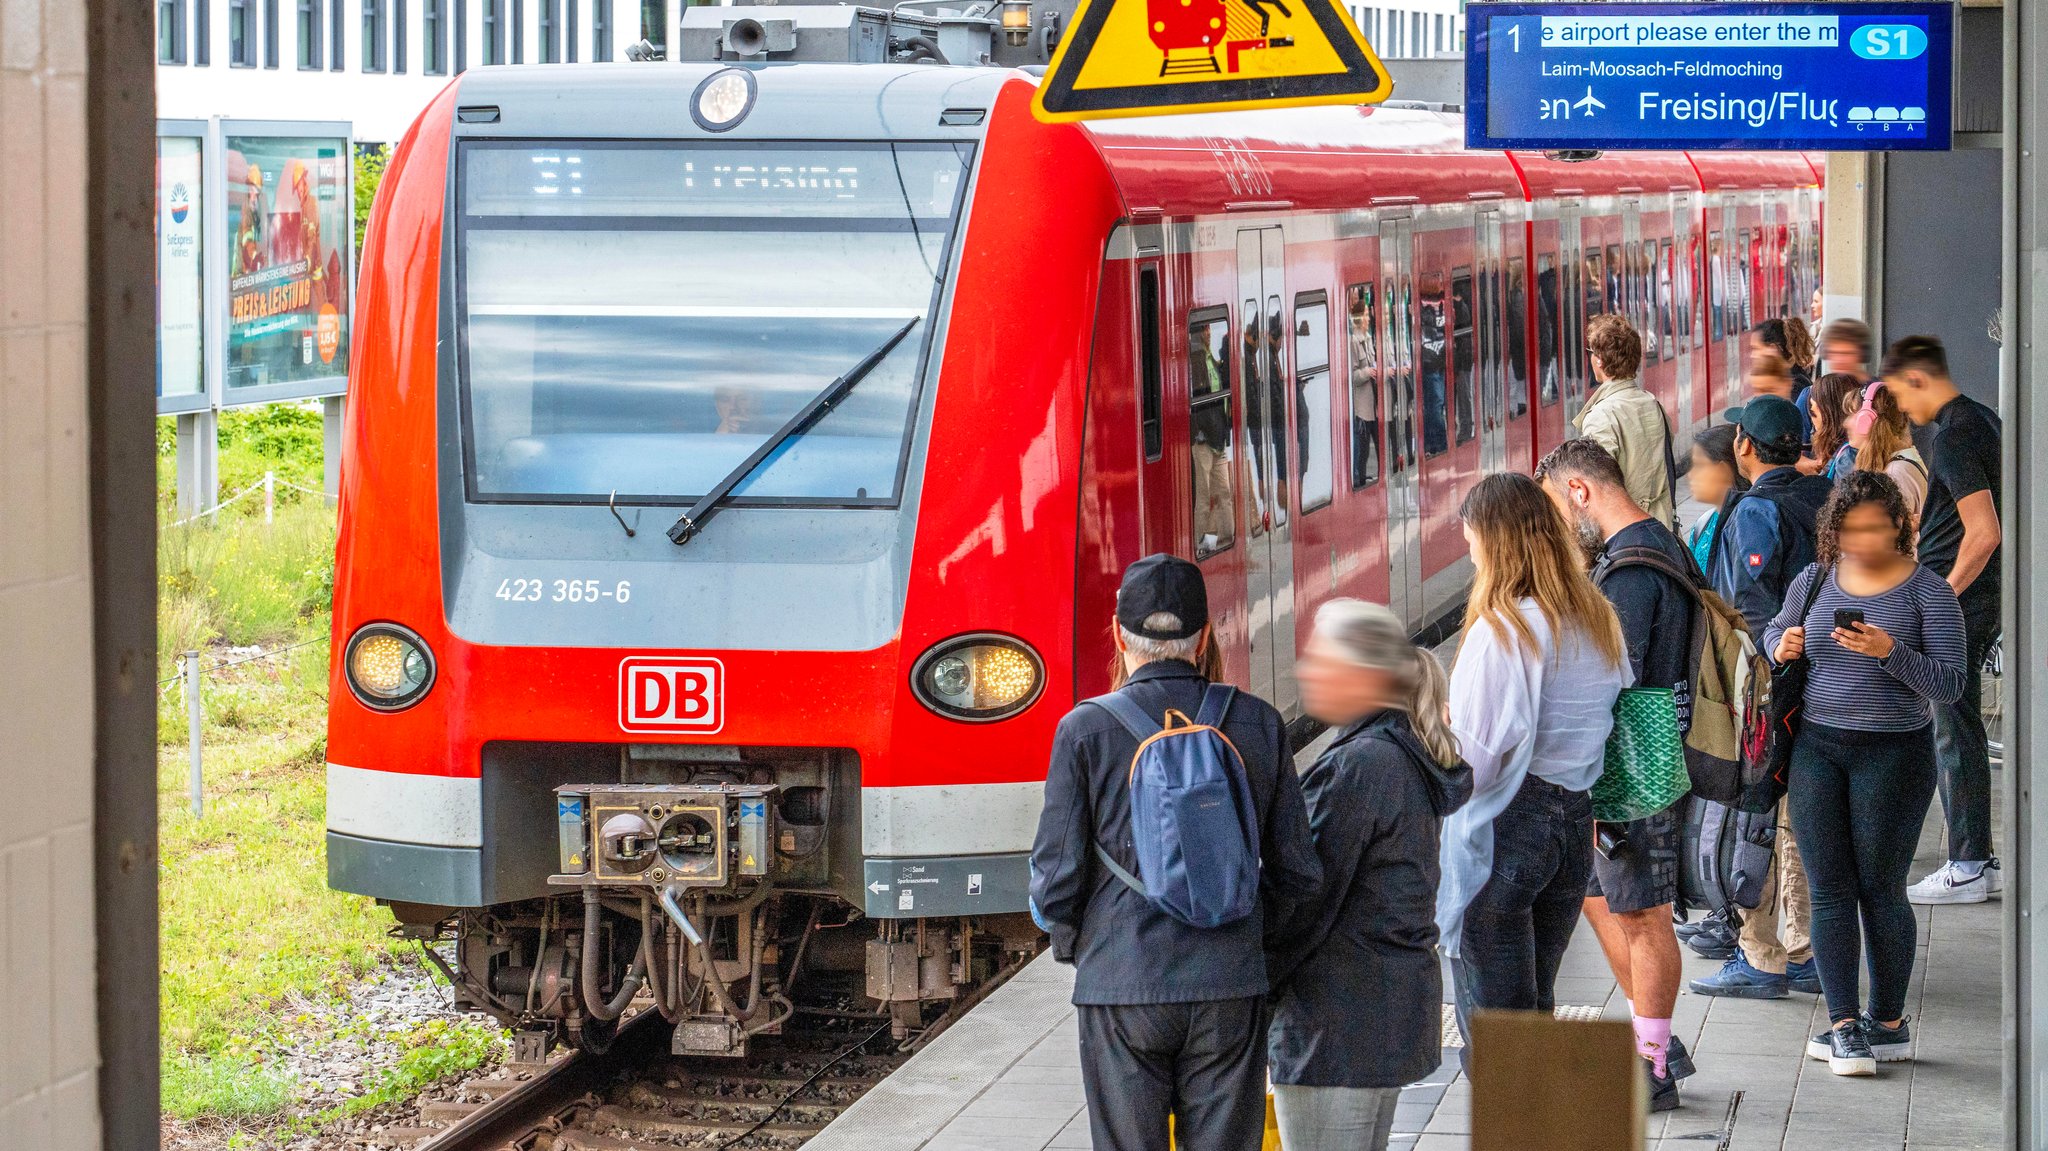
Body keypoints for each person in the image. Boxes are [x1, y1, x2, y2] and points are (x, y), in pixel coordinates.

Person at [1029, 554, 1322, 1151]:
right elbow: (1298, 875)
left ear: (1117, 633)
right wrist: (1251, 947)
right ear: (1206, 635)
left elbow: (1055, 881)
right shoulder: (1258, 723)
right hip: (1228, 986)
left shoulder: (1084, 731)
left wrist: (1077, 943)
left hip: (1122, 983)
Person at [1763, 471, 1966, 1075]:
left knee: (1881, 888)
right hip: (1818, 750)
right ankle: (1844, 1025)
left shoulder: (1929, 593)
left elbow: (1952, 684)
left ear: (1899, 527)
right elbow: (1772, 629)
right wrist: (1783, 643)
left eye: (1874, 528)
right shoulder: (1815, 579)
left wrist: (1889, 652)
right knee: (1829, 888)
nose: (1860, 540)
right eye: (1849, 529)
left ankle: (1889, 1022)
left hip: (1895, 754)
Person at [1437, 474, 1629, 1063]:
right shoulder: (1596, 617)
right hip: (1574, 826)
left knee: (1500, 1039)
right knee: (1534, 1015)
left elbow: (1479, 761)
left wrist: (1443, 736)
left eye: (1472, 541)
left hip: (1507, 830)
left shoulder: (1503, 630)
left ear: (1496, 545)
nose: (1469, 554)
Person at [1266, 602, 1472, 1151]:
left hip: (1338, 1024)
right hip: (1378, 1012)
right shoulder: (1397, 750)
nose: (1305, 671)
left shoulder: (1360, 766)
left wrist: (1249, 983)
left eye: (1320, 659)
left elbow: (1303, 896)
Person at [1534, 439, 1701, 1111]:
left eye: (1553, 506)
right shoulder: (1659, 540)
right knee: (1604, 898)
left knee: (1644, 917)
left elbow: (1608, 677)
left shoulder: (1629, 572)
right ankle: (1652, 1033)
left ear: (1580, 491)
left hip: (1636, 769)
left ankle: (1653, 1066)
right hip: (1643, 761)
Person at [1691, 395, 1831, 999]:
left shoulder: (1755, 511)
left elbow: (1746, 611)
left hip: (1772, 685)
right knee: (1799, 816)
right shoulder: (1823, 495)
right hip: (1827, 682)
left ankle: (1760, 952)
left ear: (1744, 445)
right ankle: (1805, 948)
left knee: (1755, 806)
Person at [1883, 336, 2005, 905]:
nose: (1903, 411)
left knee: (1952, 728)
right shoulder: (1984, 420)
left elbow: (1984, 532)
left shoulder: (1955, 438)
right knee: (1958, 726)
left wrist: (1942, 598)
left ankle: (1968, 862)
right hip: (1976, 601)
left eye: (1901, 396)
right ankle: (1976, 858)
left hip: (1962, 604)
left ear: (1918, 379)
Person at [1575, 314, 1677, 530]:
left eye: (1591, 353)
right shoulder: (1652, 404)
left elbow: (1597, 490)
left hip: (1626, 536)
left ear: (1599, 360)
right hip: (1662, 529)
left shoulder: (1601, 416)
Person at [1848, 381, 1927, 529]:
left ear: (1866, 421)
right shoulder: (1900, 464)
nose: (1845, 424)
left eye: (1851, 415)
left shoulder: (1895, 473)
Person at [1684, 425, 1748, 576]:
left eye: (1699, 465)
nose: (1690, 475)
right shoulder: (1702, 525)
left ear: (1724, 470)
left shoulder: (1749, 524)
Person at [1808, 373, 1865, 482]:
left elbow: (1838, 497)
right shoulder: (1853, 451)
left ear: (1829, 415)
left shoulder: (1848, 458)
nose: (1812, 419)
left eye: (1813, 413)